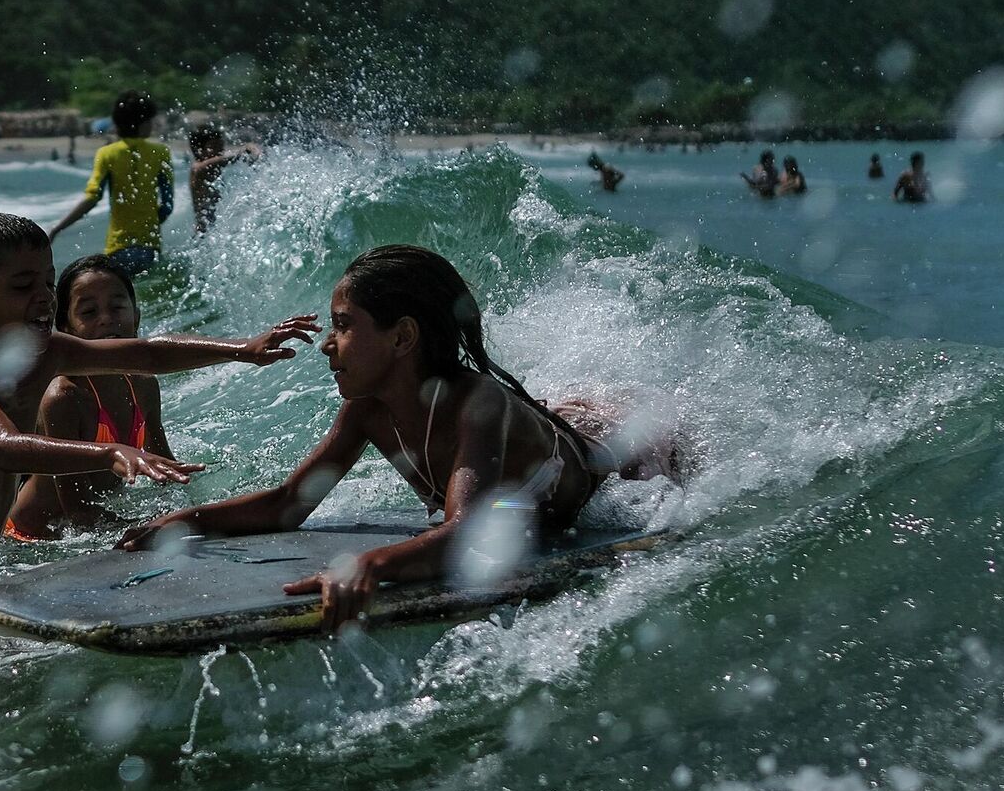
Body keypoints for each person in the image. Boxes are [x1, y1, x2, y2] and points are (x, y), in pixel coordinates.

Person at [116, 245, 688, 631]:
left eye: (343, 325)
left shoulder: (478, 405)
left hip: (617, 456)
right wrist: (183, 521)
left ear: (402, 337)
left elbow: (467, 533)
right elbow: (290, 504)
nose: (327, 343)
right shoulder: (367, 411)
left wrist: (372, 563)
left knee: (673, 463)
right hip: (550, 437)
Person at [0, 212, 315, 640]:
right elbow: (3, 445)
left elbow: (147, 354)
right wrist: (111, 451)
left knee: (57, 639)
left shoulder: (48, 351)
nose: (44, 296)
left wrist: (240, 348)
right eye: (23, 285)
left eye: (49, 281)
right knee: (31, 651)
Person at [4, 255, 178, 540]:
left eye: (117, 307)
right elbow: (79, 513)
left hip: (82, 527)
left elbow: (164, 468)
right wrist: (156, 524)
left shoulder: (144, 384)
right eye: (88, 312)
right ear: (66, 329)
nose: (107, 319)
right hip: (31, 540)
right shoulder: (63, 398)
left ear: (136, 316)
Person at [50, 91, 175, 277]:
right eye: (149, 121)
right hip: (150, 247)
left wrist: (57, 228)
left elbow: (92, 197)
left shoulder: (107, 153)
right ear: (142, 124)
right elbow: (167, 204)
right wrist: (150, 222)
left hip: (118, 247)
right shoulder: (161, 152)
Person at [188, 124, 261, 235]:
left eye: (221, 146)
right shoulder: (197, 169)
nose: (220, 150)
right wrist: (242, 152)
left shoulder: (213, 170)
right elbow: (217, 162)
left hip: (214, 231)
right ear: (199, 150)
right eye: (215, 146)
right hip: (203, 234)